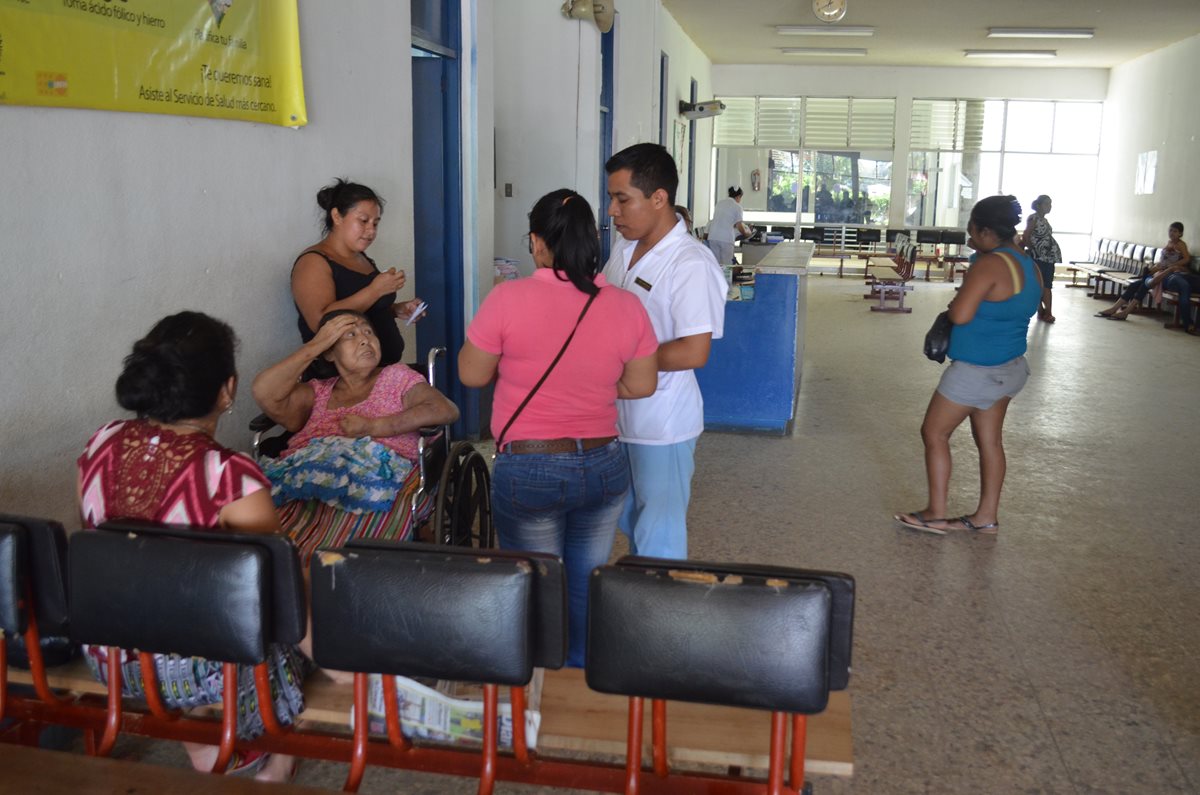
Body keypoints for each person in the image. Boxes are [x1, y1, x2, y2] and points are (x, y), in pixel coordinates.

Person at [76, 311, 302, 782]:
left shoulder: (101, 442)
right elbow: (280, 590)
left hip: (108, 654)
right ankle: (271, 761)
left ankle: (207, 753)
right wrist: (346, 666)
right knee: (276, 624)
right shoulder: (230, 476)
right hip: (199, 670)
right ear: (228, 389)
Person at [458, 189, 658, 667]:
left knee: (537, 583)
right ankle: (579, 672)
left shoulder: (507, 298)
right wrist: (587, 387)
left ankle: (541, 679)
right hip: (604, 464)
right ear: (591, 240)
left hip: (530, 465)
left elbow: (471, 374)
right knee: (585, 579)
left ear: (536, 242)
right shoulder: (626, 305)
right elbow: (641, 385)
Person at [601, 143, 728, 560]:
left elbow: (694, 351)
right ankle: (636, 593)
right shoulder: (623, 249)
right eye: (611, 199)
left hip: (662, 422)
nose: (612, 211)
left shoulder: (691, 263)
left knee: (659, 536)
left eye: (622, 199)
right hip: (615, 415)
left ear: (658, 198)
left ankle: (657, 600)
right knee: (628, 519)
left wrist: (617, 364)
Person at [895, 196, 1041, 536]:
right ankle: (986, 517)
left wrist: (960, 299)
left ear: (986, 231)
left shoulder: (990, 265)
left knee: (934, 432)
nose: (970, 237)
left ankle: (935, 513)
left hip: (977, 371)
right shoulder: (1028, 265)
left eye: (972, 231)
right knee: (990, 442)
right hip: (1010, 368)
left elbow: (960, 314)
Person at [252, 310, 459, 515]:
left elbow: (444, 409)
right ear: (329, 352)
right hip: (306, 488)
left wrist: (373, 427)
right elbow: (263, 391)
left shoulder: (397, 377)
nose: (364, 340)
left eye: (368, 332)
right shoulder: (317, 393)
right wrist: (314, 347)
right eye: (350, 335)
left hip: (376, 490)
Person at [291, 179, 426, 371]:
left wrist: (396, 310)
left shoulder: (361, 257)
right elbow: (320, 322)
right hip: (341, 378)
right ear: (337, 216)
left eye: (375, 223)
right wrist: (375, 290)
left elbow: (365, 311)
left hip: (380, 371)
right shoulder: (313, 262)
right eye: (363, 221)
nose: (371, 231)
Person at [1097, 222, 1192, 323]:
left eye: (1175, 231)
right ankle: (1114, 308)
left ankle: (1126, 312)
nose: (1172, 233)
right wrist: (1154, 268)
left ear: (1180, 233)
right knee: (1134, 285)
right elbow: (1163, 260)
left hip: (1168, 276)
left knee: (1143, 285)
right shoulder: (1169, 243)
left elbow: (1187, 259)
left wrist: (1171, 266)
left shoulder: (1181, 244)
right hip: (1159, 272)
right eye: (1170, 230)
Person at [1021, 194, 1062, 323]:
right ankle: (1045, 312)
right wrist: (1032, 250)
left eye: (1050, 204)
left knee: (1045, 284)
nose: (1049, 206)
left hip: (1048, 257)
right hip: (1039, 257)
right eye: (1046, 204)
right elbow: (1026, 235)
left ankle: (1044, 311)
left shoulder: (1044, 220)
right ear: (1038, 205)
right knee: (1042, 284)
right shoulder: (1034, 218)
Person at [706, 186, 751, 266]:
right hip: (726, 239)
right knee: (727, 266)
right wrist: (747, 233)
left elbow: (723, 220)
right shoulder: (737, 207)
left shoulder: (719, 203)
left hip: (713, 237)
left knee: (716, 264)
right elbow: (740, 226)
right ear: (738, 196)